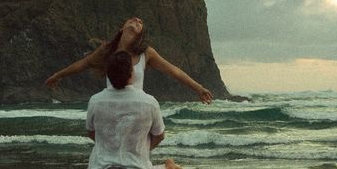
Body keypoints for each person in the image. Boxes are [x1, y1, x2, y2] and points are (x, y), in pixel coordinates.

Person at [46, 16, 213, 104]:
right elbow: (84, 64)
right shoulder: (107, 50)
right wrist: (58, 75)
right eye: (133, 19)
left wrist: (198, 88)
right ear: (122, 28)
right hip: (111, 104)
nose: (137, 21)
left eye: (140, 23)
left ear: (140, 34)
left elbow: (173, 70)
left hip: (137, 106)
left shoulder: (146, 53)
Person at [86, 50, 182, 169]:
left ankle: (168, 167)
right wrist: (135, 150)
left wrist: (113, 147)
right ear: (132, 73)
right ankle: (168, 167)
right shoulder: (149, 102)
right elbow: (159, 136)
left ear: (108, 75)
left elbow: (91, 132)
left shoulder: (95, 101)